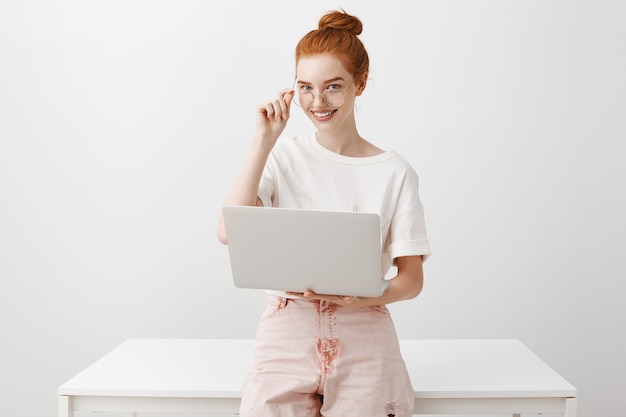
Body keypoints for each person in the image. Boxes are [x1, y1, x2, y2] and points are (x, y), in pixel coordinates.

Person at [217, 9, 431, 417]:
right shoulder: (282, 156)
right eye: (305, 88)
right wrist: (264, 139)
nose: (317, 102)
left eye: (333, 87)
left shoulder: (394, 172)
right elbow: (228, 231)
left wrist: (363, 297)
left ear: (360, 84)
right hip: (286, 325)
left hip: (365, 327)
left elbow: (412, 279)